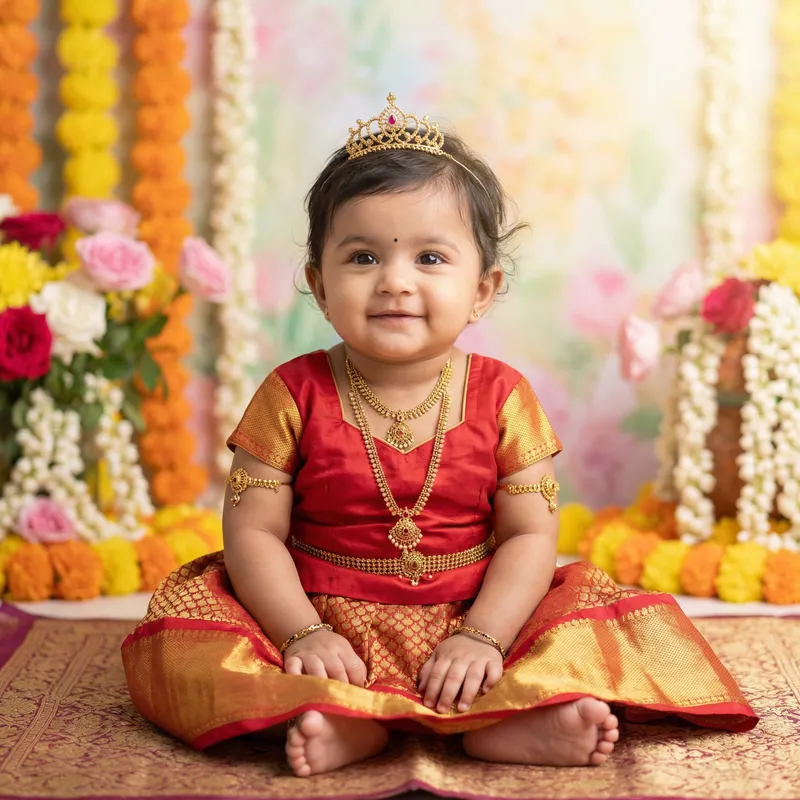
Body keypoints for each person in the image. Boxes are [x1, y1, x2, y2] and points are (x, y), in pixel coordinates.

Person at [122, 93, 756, 778]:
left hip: (477, 613)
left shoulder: (503, 396)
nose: (395, 281)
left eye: (429, 258)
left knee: (579, 627)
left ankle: (506, 720)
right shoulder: (291, 394)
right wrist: (301, 631)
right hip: (322, 616)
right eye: (362, 258)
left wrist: (486, 636)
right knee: (193, 642)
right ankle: (344, 718)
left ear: (483, 289)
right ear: (319, 283)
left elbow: (529, 537)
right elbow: (253, 535)